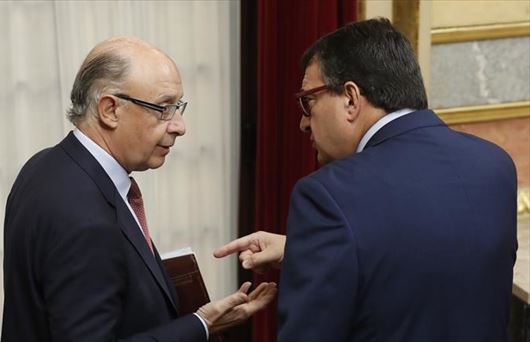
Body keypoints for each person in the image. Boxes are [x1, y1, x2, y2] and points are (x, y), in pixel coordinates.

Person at [215, 18, 517, 342]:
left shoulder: (327, 194)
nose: (303, 122)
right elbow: (429, 254)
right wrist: (303, 249)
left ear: (350, 98)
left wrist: (313, 246)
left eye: (308, 101)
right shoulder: (494, 165)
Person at [2, 36, 276, 341]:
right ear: (110, 110)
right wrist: (200, 324)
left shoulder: (45, 166)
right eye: (163, 108)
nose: (180, 126)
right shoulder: (84, 215)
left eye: (178, 106)